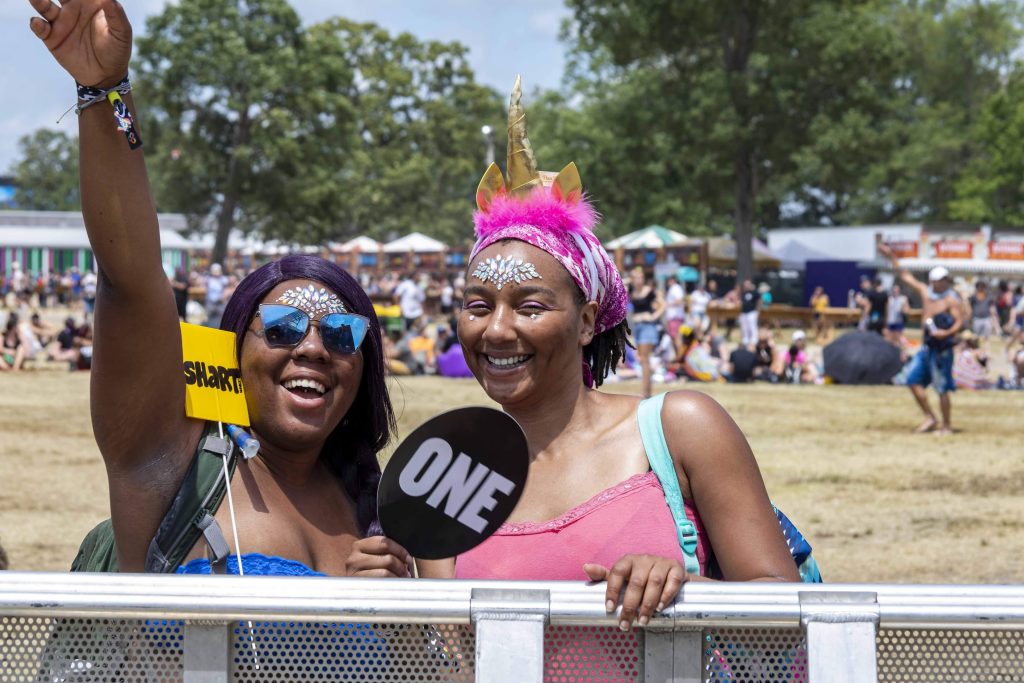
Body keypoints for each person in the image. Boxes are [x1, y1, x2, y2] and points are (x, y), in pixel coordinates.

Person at [28, 0, 409, 577]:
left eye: (341, 333)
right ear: (235, 350)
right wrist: (105, 92)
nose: (312, 347)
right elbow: (129, 278)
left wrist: (387, 609)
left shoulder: (377, 509)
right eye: (282, 328)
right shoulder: (177, 464)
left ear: (364, 365)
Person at [420, 79, 798, 641]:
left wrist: (684, 592)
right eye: (478, 306)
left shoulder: (677, 430)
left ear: (586, 321)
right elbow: (451, 661)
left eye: (530, 306)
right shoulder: (451, 469)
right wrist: (393, 604)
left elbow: (791, 620)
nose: (496, 329)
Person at [879, 245, 963, 435]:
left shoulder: (950, 299)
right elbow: (905, 275)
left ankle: (947, 426)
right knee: (912, 380)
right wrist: (892, 256)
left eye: (943, 280)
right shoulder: (926, 292)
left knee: (941, 388)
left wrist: (946, 333)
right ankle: (930, 417)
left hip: (942, 349)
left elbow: (959, 322)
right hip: (927, 347)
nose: (942, 283)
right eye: (939, 280)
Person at [627, 267, 665, 398]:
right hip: (638, 327)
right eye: (636, 277)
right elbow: (619, 285)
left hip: (648, 327)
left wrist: (654, 316)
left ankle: (646, 392)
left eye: (641, 277)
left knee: (644, 359)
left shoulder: (649, 291)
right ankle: (646, 391)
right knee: (643, 360)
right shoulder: (631, 290)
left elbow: (663, 304)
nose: (639, 280)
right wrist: (629, 279)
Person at [204, 263, 229, 328]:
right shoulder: (208, 279)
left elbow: (228, 289)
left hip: (220, 303)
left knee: (220, 321)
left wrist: (224, 296)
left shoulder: (224, 279)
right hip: (210, 303)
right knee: (210, 320)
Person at [663, 275, 686, 345]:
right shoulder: (673, 288)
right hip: (673, 317)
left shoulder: (676, 288)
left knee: (676, 337)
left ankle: (680, 352)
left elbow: (679, 301)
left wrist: (668, 304)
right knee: (673, 337)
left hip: (675, 316)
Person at [738, 280, 760, 346]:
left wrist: (758, 310)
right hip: (744, 312)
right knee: (744, 327)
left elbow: (759, 301)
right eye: (745, 284)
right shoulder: (743, 293)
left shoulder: (754, 292)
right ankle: (745, 339)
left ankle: (754, 339)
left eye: (747, 284)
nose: (746, 286)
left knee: (752, 326)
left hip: (752, 312)